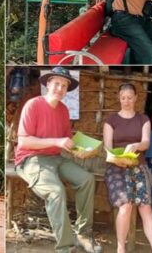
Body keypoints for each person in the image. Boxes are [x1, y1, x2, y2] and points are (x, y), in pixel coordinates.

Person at [14, 67, 101, 253]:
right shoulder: (33, 105)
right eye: (56, 84)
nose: (60, 88)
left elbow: (66, 141)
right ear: (47, 84)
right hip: (30, 159)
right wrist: (58, 141)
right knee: (55, 191)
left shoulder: (63, 110)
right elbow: (24, 141)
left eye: (64, 86)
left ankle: (83, 234)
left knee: (87, 179)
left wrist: (82, 150)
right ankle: (65, 247)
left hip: (56, 157)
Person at [102, 83, 152, 253]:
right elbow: (107, 147)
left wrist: (136, 146)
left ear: (135, 98)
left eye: (129, 97)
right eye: (123, 98)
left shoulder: (143, 119)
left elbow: (146, 142)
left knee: (145, 207)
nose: (126, 101)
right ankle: (121, 247)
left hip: (137, 164)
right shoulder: (111, 120)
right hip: (116, 166)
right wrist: (117, 159)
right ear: (119, 98)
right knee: (126, 205)